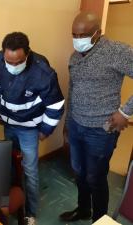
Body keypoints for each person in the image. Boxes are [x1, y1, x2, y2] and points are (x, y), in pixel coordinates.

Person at [60, 12, 133, 223]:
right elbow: (72, 91)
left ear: (97, 33)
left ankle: (99, 219)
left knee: (96, 177)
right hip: (76, 125)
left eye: (82, 34)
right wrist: (67, 123)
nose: (77, 39)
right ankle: (83, 209)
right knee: (79, 173)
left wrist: (125, 111)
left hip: (101, 130)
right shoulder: (74, 57)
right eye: (74, 34)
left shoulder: (116, 51)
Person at [0, 32, 64, 225]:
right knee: (9, 165)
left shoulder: (44, 73)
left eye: (18, 62)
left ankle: (30, 213)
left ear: (28, 54)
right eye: (9, 61)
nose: (13, 66)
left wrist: (45, 130)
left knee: (30, 170)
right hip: (9, 124)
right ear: (3, 54)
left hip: (29, 128)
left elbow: (56, 106)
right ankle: (14, 201)